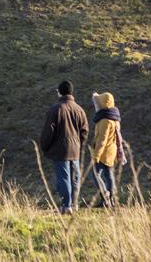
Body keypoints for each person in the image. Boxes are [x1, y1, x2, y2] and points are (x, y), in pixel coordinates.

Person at [40, 80, 89, 214]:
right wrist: (80, 145)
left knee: (64, 178)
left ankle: (66, 206)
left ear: (60, 92)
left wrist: (44, 146)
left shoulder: (55, 109)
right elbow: (84, 131)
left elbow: (48, 131)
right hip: (76, 150)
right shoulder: (80, 109)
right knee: (75, 178)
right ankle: (74, 204)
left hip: (61, 150)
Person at [91, 91, 124, 207]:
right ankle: (112, 200)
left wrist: (96, 156)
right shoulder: (114, 118)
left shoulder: (105, 120)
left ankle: (105, 195)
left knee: (95, 174)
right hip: (111, 152)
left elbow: (102, 140)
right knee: (109, 175)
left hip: (104, 153)